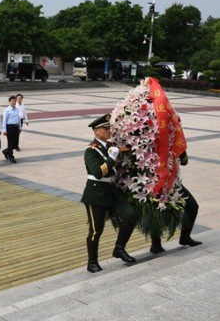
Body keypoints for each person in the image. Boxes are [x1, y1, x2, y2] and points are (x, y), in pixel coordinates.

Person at [81, 113, 137, 273]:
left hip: (111, 190)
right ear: (96, 131)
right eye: (105, 128)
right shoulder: (90, 150)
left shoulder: (109, 146)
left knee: (130, 215)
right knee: (96, 230)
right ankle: (92, 262)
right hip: (96, 193)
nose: (108, 130)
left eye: (109, 128)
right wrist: (112, 158)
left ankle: (119, 248)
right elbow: (98, 173)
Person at [149, 151, 202, 253]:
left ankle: (185, 237)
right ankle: (155, 244)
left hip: (173, 182)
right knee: (156, 210)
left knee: (192, 206)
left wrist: (181, 152)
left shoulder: (174, 139)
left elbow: (183, 162)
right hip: (155, 183)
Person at [2, 95, 21, 164]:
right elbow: (4, 120)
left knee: (15, 143)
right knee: (10, 142)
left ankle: (6, 151)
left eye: (14, 101)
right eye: (12, 101)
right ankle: (11, 157)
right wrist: (4, 130)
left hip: (16, 127)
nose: (14, 102)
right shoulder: (7, 110)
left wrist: (19, 127)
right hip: (9, 127)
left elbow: (18, 119)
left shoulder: (17, 109)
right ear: (9, 102)